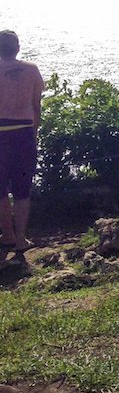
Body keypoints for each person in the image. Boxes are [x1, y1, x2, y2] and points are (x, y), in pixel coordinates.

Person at [0, 30, 44, 259]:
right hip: (23, 132)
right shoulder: (31, 70)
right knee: (21, 189)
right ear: (17, 48)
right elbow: (36, 105)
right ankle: (20, 239)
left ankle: (7, 234)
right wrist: (33, 132)